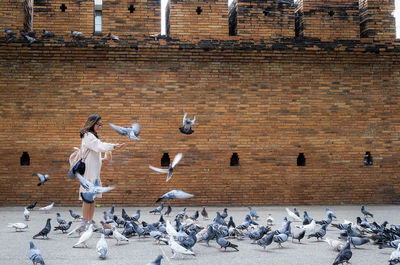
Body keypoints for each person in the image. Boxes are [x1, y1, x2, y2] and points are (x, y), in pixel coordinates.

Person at [79, 114, 125, 225]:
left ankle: (90, 221)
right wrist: (114, 146)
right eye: (98, 124)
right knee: (87, 198)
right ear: (92, 123)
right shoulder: (87, 135)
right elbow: (99, 146)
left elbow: (94, 156)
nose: (100, 126)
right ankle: (84, 223)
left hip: (94, 173)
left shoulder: (93, 137)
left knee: (92, 198)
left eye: (101, 124)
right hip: (88, 173)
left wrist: (105, 159)